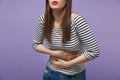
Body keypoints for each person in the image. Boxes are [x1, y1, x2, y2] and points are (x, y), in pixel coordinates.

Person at [32, 0, 100, 80]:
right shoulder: (43, 19)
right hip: (49, 72)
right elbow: (35, 44)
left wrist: (67, 64)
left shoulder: (77, 21)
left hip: (72, 77)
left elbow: (94, 52)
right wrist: (54, 53)